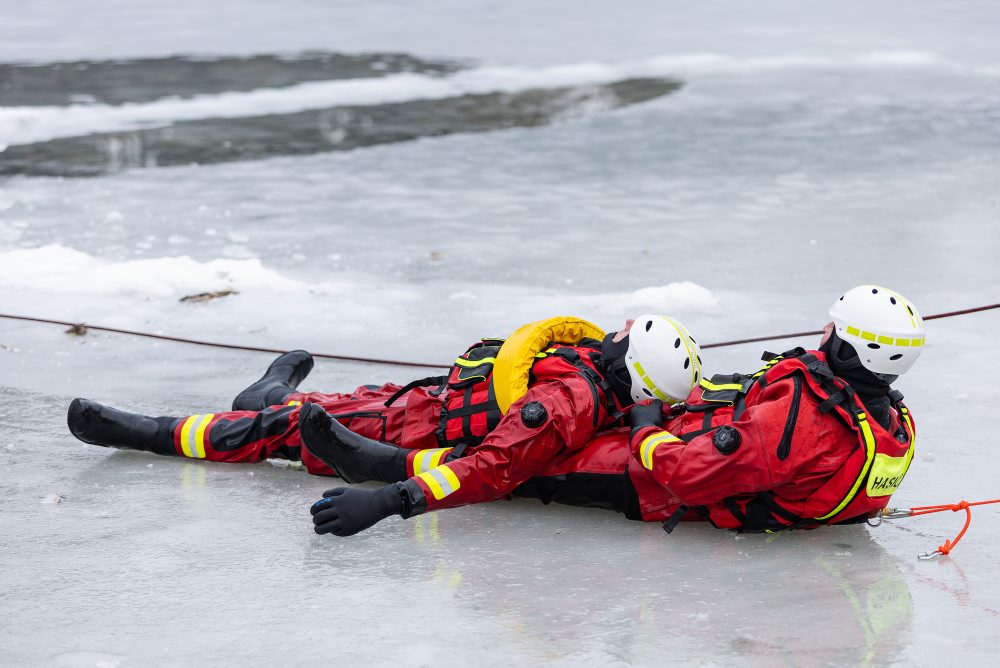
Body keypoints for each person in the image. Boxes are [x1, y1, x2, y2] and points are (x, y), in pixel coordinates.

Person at [308, 285, 924, 536]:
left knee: (531, 463)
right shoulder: (890, 423)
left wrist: (647, 429)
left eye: (833, 329)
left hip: (649, 479)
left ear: (851, 348)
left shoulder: (803, 423)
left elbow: (689, 474)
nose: (821, 332)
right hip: (707, 450)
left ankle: (391, 470)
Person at [67, 314, 703, 512]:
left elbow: (494, 466)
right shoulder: (591, 364)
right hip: (426, 397)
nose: (620, 327)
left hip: (420, 427)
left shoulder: (564, 406)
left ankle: (157, 433)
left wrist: (390, 499)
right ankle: (265, 392)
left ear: (630, 358)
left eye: (630, 332)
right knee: (334, 402)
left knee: (283, 431)